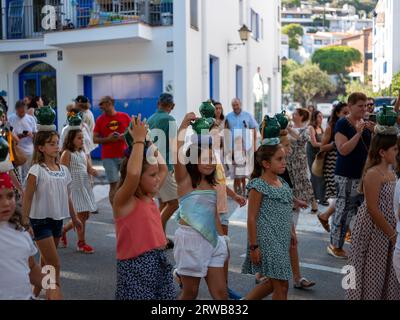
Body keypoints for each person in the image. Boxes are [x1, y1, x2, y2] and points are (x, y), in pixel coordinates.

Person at [112, 115, 175, 300]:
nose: (158, 178)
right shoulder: (124, 201)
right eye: (151, 175)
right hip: (134, 266)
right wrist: (139, 141)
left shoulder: (149, 196)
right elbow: (133, 173)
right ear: (139, 178)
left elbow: (163, 168)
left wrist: (148, 141)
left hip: (158, 260)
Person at [173, 112, 228, 300]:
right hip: (190, 241)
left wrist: (223, 240)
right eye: (205, 158)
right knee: (190, 292)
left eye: (212, 158)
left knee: (221, 294)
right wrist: (182, 127)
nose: (211, 162)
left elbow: (214, 216)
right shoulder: (185, 181)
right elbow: (177, 153)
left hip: (213, 241)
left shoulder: (211, 184)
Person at [22, 130, 82, 298]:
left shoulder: (63, 170)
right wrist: (25, 221)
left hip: (58, 221)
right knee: (54, 263)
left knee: (46, 260)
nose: (56, 146)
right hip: (40, 221)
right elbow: (28, 197)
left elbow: (67, 196)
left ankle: (35, 292)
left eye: (57, 142)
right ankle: (54, 294)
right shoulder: (36, 170)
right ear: (41, 148)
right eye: (51, 143)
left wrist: (75, 217)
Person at [346, 129, 400, 300]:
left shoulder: (393, 172)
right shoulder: (373, 173)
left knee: (388, 272)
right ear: (382, 152)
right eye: (395, 149)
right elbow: (372, 208)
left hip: (389, 229)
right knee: (371, 271)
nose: (398, 153)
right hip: (374, 231)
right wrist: (392, 234)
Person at [241, 143, 298, 300]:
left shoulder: (283, 183)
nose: (284, 162)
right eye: (279, 159)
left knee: (273, 284)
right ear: (266, 164)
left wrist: (292, 231)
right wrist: (254, 247)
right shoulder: (258, 185)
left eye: (284, 158)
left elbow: (287, 209)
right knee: (282, 285)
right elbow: (251, 218)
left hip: (281, 240)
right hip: (267, 241)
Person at [0, 172, 62, 300]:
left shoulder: (20, 231)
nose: (6, 203)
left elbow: (31, 268)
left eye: (10, 195)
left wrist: (51, 285)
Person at [328, 92, 374, 259]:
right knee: (344, 209)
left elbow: (371, 150)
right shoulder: (342, 124)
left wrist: (373, 131)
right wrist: (358, 133)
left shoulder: (365, 122)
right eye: (360, 106)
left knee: (364, 210)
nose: (364, 109)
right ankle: (335, 245)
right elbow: (343, 149)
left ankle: (361, 244)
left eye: (365, 105)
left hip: (364, 175)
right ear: (350, 106)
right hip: (346, 174)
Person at [147, 93, 179, 249]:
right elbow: (174, 146)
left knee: (164, 202)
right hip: (163, 165)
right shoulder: (170, 119)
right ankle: (156, 235)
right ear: (172, 106)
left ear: (158, 103)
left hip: (151, 164)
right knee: (174, 202)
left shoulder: (150, 119)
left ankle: (160, 238)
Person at [60, 127, 97, 253]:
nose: (82, 140)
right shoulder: (67, 153)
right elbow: (63, 171)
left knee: (84, 216)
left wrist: (93, 171)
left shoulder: (83, 153)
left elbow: (88, 168)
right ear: (71, 139)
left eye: (82, 137)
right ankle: (81, 243)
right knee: (81, 215)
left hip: (84, 186)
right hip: (74, 188)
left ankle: (63, 230)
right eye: (79, 138)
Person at [318, 102, 350, 232]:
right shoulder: (331, 127)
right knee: (341, 196)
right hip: (332, 165)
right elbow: (322, 147)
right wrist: (335, 143)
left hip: (345, 163)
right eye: (344, 113)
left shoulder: (350, 125)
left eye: (349, 113)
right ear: (337, 113)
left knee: (344, 196)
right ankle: (328, 218)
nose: (347, 115)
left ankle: (329, 218)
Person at [93, 96, 130, 206]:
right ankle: (116, 212)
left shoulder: (124, 116)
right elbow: (94, 139)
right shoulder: (100, 120)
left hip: (124, 155)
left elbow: (133, 132)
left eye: (102, 104)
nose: (100, 107)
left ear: (110, 103)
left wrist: (125, 137)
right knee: (113, 184)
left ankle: (126, 209)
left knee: (126, 183)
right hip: (108, 157)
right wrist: (108, 139)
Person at [286, 108, 318, 213]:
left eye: (295, 114)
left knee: (304, 181)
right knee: (292, 181)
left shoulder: (307, 128)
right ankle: (295, 204)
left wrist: (289, 130)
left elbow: (301, 140)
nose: (293, 115)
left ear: (301, 116)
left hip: (300, 159)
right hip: (289, 158)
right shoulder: (289, 127)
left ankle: (314, 204)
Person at [225, 98, 258, 196]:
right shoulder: (228, 117)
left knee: (245, 172)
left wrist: (254, 145)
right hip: (233, 149)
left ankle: (245, 191)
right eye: (233, 105)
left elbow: (254, 129)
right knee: (235, 172)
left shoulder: (248, 116)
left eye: (237, 105)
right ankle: (237, 192)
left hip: (246, 148)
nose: (235, 107)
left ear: (240, 104)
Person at [8, 100, 37, 184]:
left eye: (23, 111)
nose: (22, 114)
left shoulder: (31, 119)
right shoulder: (11, 118)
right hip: (16, 150)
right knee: (18, 174)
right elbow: (10, 135)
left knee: (28, 173)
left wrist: (31, 135)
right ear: (16, 110)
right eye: (20, 112)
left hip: (29, 150)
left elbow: (35, 134)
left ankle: (26, 190)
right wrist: (21, 135)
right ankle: (20, 192)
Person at [306, 110, 327, 205]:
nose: (321, 118)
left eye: (322, 116)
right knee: (314, 174)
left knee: (321, 175)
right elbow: (314, 143)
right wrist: (327, 145)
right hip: (312, 152)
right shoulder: (311, 127)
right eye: (319, 116)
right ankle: (315, 198)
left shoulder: (321, 128)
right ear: (314, 117)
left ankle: (319, 197)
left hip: (320, 153)